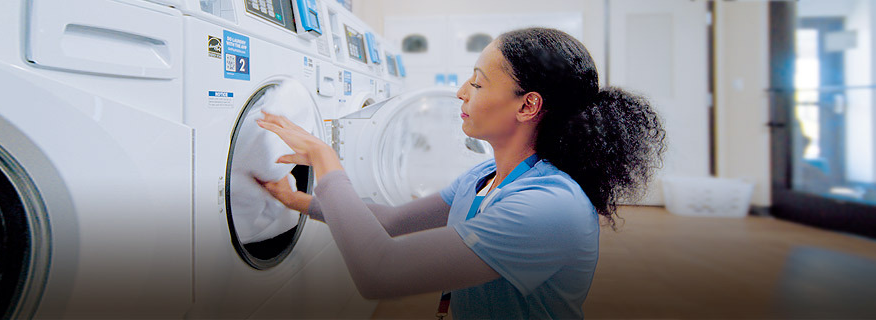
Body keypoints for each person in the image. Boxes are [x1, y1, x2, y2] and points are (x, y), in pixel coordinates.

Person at [257, 27, 666, 319]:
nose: (461, 93)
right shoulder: (486, 176)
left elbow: (380, 271)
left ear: (528, 106)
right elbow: (390, 221)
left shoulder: (550, 206)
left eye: (478, 84)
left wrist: (326, 161)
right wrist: (298, 200)